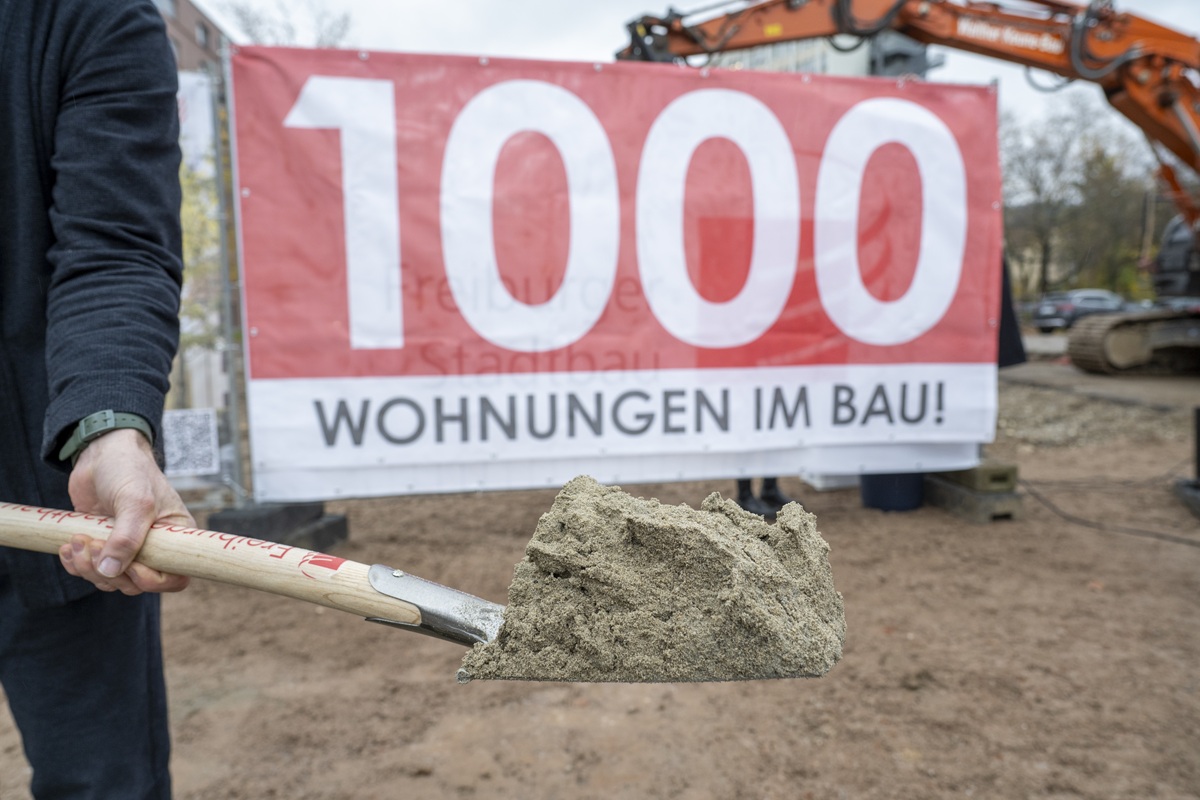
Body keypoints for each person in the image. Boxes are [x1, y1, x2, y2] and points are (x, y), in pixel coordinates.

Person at [1, 1, 192, 796]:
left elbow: (114, 247)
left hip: (61, 511)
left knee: (102, 782)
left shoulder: (91, 16)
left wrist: (107, 428)